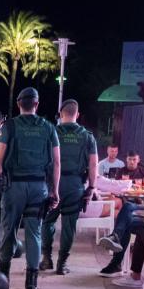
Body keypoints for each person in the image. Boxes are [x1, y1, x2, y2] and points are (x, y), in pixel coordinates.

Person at [0, 87, 60, 289]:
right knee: (34, 233)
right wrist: (55, 190)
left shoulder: (9, 126)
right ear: (37, 104)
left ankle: (3, 281)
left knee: (9, 231)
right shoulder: (49, 128)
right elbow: (56, 162)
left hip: (14, 187)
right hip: (39, 188)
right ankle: (31, 286)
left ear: (19, 104)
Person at [39, 99, 98, 275]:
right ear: (77, 115)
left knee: (47, 221)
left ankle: (46, 259)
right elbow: (93, 164)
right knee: (69, 226)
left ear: (60, 114)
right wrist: (91, 187)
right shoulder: (87, 136)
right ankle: (62, 264)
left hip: (52, 184)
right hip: (75, 185)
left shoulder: (51, 132)